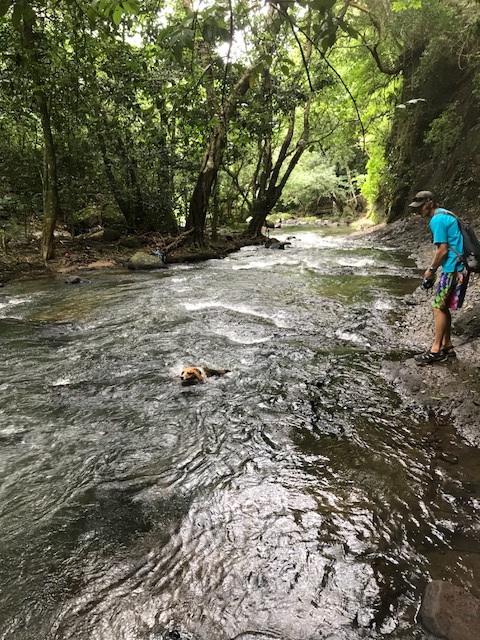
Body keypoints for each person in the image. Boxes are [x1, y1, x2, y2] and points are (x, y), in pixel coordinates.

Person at [408, 190, 469, 365]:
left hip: (452, 269)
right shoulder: (447, 214)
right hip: (460, 267)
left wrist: (431, 270)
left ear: (430, 202)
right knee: (443, 307)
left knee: (437, 307)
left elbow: (442, 250)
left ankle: (435, 350)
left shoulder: (437, 220)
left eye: (421, 207)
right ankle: (447, 346)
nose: (419, 211)